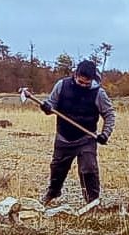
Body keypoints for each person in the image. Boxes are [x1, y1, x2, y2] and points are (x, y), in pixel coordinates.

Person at [39, 60, 116, 205]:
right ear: (75, 75)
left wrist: (105, 133)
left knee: (89, 169)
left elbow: (109, 114)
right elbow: (51, 105)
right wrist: (46, 108)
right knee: (57, 169)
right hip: (63, 137)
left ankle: (92, 202)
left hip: (86, 138)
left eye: (86, 84)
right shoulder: (62, 85)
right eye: (80, 82)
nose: (83, 85)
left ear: (92, 79)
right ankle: (53, 193)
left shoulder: (98, 93)